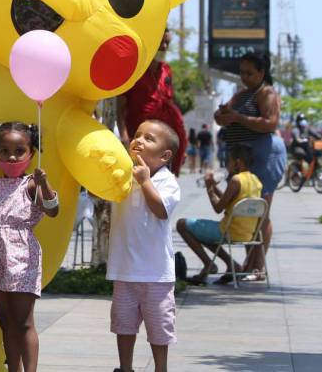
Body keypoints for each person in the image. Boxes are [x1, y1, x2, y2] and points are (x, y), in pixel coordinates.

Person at [0, 121, 58, 372]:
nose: (11, 156)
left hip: (22, 258)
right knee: (5, 322)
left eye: (19, 151)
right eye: (4, 150)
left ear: (31, 153)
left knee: (23, 322)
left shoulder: (31, 184)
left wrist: (44, 184)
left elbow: (53, 211)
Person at [107, 119, 181, 372]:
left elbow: (161, 210)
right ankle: (125, 367)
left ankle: (161, 368)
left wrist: (145, 181)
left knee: (159, 329)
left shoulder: (167, 181)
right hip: (125, 270)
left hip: (156, 274)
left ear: (164, 155)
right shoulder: (123, 174)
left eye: (149, 138)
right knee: (123, 326)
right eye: (137, 135)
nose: (138, 140)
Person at [214, 51, 283, 282]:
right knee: (243, 209)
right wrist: (222, 115)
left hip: (263, 154)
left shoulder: (267, 93)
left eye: (249, 73)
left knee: (260, 211)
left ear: (262, 73)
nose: (244, 77)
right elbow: (222, 118)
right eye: (242, 72)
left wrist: (237, 118)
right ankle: (248, 264)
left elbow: (270, 123)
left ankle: (257, 266)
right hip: (241, 157)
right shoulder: (242, 94)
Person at [176, 143, 263, 285]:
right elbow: (231, 202)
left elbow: (218, 208)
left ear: (237, 163)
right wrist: (214, 187)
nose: (226, 165)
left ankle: (208, 264)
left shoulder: (236, 180)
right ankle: (231, 264)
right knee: (200, 231)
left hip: (228, 231)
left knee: (182, 224)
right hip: (248, 233)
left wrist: (209, 188)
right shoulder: (255, 180)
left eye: (228, 161)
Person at [117, 29, 187, 175]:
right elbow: (121, 106)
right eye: (161, 42)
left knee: (163, 181)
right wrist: (123, 135)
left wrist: (180, 146)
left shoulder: (166, 70)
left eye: (167, 43)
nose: (164, 47)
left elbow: (170, 102)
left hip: (161, 142)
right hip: (140, 137)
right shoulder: (135, 68)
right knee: (139, 177)